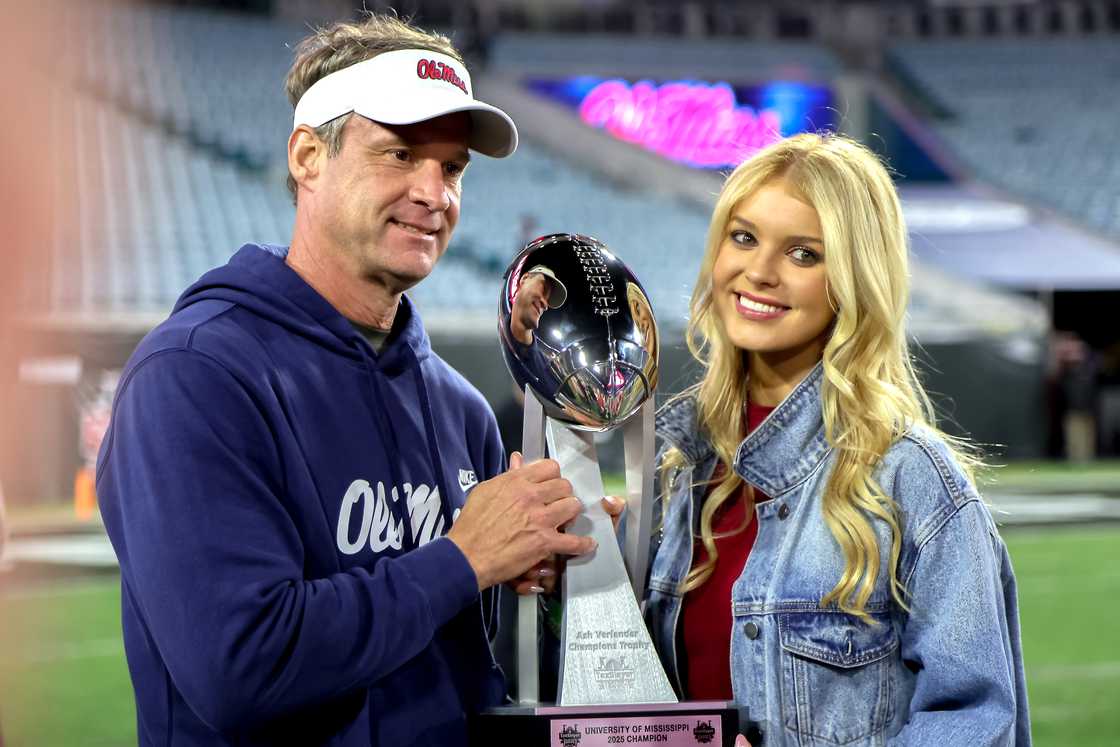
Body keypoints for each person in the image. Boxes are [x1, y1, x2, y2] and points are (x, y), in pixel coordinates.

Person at [96, 14, 605, 746]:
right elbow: (241, 668)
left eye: (453, 166)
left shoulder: (460, 409)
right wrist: (463, 559)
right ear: (308, 155)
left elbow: (474, 662)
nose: (435, 192)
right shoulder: (194, 377)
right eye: (399, 152)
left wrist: (543, 571)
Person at [645, 133, 1030, 746]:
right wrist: (578, 586)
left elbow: (975, 725)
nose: (759, 273)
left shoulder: (912, 479)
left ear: (852, 278)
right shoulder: (680, 467)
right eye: (743, 237)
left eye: (803, 254)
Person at [508, 264, 567, 345]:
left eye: (548, 300)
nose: (545, 306)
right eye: (544, 289)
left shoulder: (538, 357)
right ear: (525, 278)